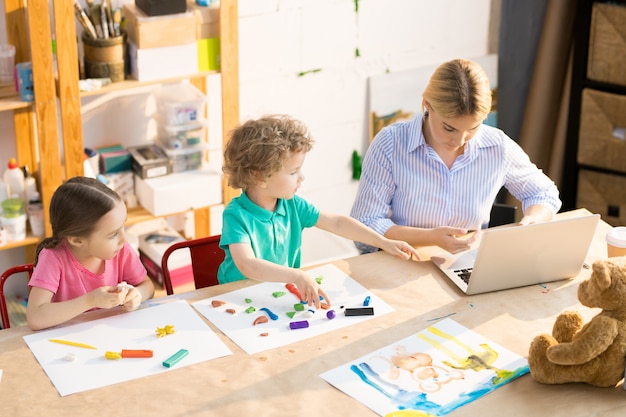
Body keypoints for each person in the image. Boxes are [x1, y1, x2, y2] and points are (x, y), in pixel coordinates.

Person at [351, 58, 562, 254]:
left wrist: (532, 220)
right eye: (449, 128)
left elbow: (544, 194)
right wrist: (430, 238)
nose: (460, 141)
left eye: (472, 128)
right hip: (405, 262)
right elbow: (364, 225)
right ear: (427, 105)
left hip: (468, 264)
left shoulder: (497, 146)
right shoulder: (390, 144)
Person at [219, 115, 420, 308]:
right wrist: (297, 275)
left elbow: (337, 223)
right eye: (293, 172)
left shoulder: (293, 205)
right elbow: (248, 265)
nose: (302, 177)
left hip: (276, 292)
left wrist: (383, 241)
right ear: (260, 177)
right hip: (236, 297)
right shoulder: (236, 215)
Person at [26, 176, 154, 330]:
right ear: (77, 240)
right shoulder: (53, 258)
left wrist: (138, 294)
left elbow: (147, 286)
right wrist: (90, 300)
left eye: (123, 226)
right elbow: (35, 317)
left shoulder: (121, 250)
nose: (124, 239)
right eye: (113, 234)